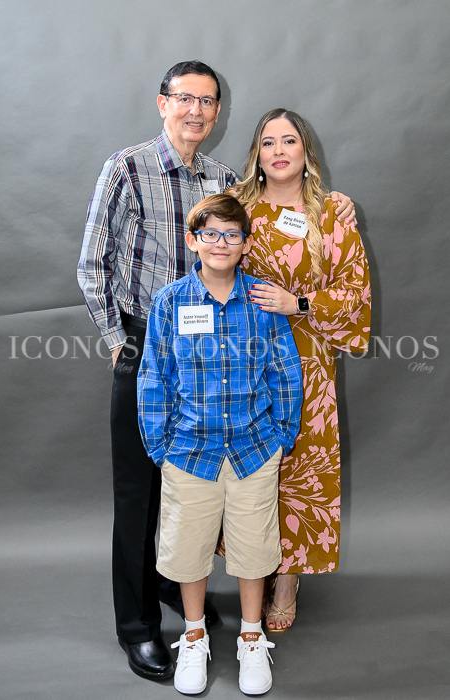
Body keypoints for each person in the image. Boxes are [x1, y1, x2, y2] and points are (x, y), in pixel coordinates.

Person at [77, 58, 355, 678]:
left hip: (224, 348)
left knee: (189, 489)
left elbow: (259, 247)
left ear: (218, 111)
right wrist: (118, 339)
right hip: (150, 339)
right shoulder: (127, 168)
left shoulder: (224, 177)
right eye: (185, 98)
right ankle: (138, 627)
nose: (196, 111)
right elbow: (92, 263)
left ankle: (179, 586)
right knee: (141, 489)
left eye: (207, 101)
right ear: (163, 103)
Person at [137, 193, 303, 695]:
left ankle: (251, 638)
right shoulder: (170, 302)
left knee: (253, 548)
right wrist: (160, 447)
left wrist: (281, 436)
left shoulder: (263, 301)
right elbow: (154, 377)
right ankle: (194, 637)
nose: (221, 243)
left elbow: (284, 370)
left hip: (254, 449)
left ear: (245, 243)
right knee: (188, 548)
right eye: (210, 233)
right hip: (189, 451)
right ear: (193, 241)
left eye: (232, 234)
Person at [229, 108, 371, 631]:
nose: (279, 151)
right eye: (268, 142)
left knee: (300, 467)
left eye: (289, 141)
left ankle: (287, 578)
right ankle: (254, 566)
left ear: (306, 151)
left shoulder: (331, 212)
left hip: (308, 362)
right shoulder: (237, 208)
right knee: (249, 466)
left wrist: (300, 304)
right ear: (257, 155)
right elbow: (208, 268)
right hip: (244, 362)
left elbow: (354, 292)